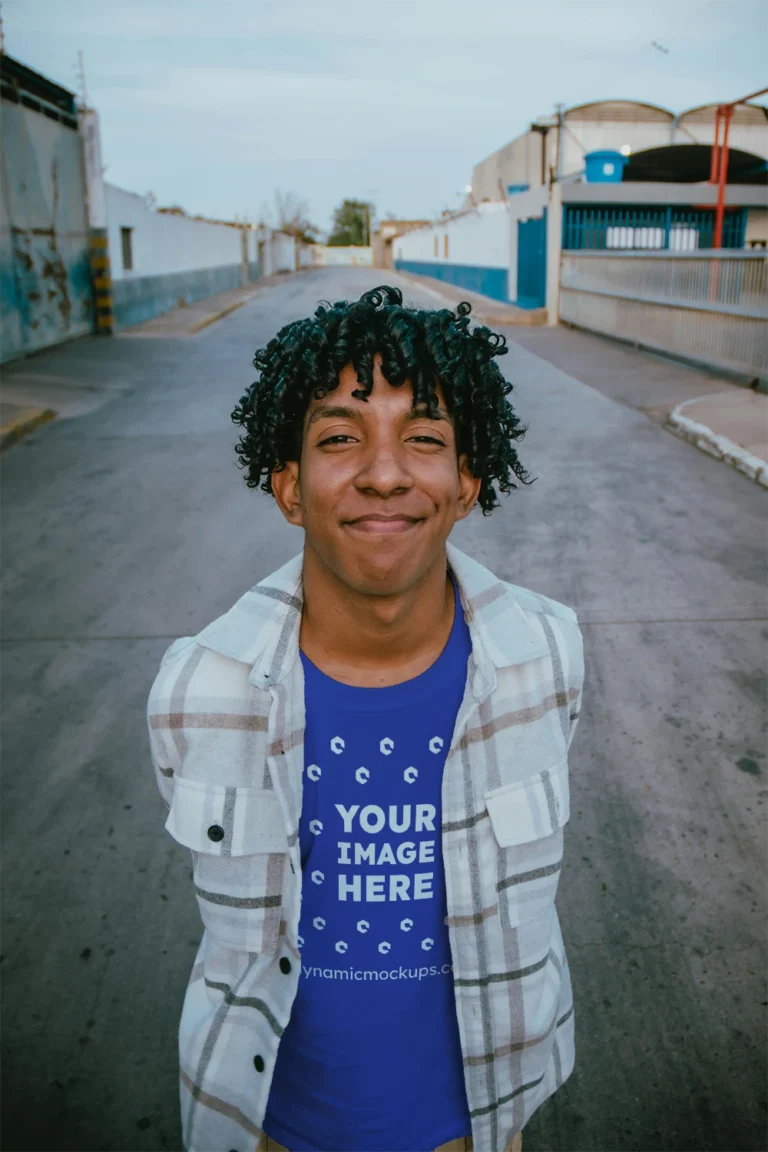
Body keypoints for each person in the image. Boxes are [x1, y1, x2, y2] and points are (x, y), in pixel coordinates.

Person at [147, 285, 585, 1152]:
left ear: (466, 482)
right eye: (339, 437)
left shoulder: (546, 655)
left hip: (478, 1125)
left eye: (423, 438)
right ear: (288, 487)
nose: (384, 472)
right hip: (267, 1127)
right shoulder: (200, 688)